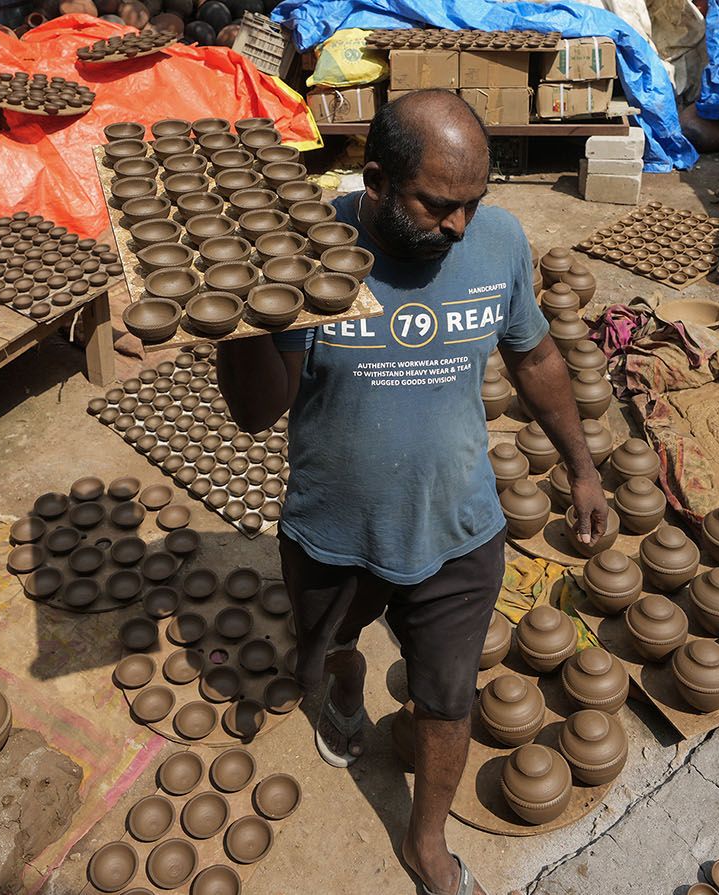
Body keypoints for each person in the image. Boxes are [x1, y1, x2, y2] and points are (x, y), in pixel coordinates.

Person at [215, 91, 609, 895]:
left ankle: (425, 838)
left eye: (473, 204)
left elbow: (533, 358)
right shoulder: (307, 246)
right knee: (328, 649)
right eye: (438, 206)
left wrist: (584, 464)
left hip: (459, 526)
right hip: (333, 529)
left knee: (446, 698)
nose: (459, 226)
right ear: (376, 182)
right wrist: (247, 312)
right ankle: (347, 686)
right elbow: (258, 412)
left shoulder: (496, 241)